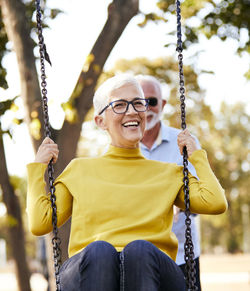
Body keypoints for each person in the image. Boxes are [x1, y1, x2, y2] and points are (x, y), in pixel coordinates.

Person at [26, 74, 227, 291]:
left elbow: (215, 202)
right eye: (119, 105)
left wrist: (196, 154)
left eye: (138, 103)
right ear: (100, 121)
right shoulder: (79, 170)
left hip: (153, 270)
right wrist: (38, 168)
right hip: (90, 270)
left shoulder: (170, 173)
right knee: (100, 251)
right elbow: (40, 223)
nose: (132, 111)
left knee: (140, 250)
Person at [137, 74, 202, 289]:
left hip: (182, 255)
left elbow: (201, 190)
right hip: (137, 258)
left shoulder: (184, 143)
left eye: (152, 101)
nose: (146, 108)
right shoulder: (121, 148)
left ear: (162, 105)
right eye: (139, 102)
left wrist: (178, 204)